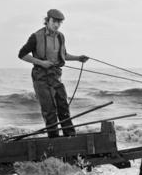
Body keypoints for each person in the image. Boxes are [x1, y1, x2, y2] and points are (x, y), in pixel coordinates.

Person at [18, 9, 89, 137]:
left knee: (63, 107)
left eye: (59, 23)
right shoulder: (36, 36)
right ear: (48, 20)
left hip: (55, 76)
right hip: (40, 76)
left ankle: (71, 138)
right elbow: (21, 55)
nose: (56, 25)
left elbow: (64, 55)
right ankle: (54, 141)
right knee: (49, 111)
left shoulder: (61, 36)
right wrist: (41, 62)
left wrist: (78, 58)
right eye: (54, 21)